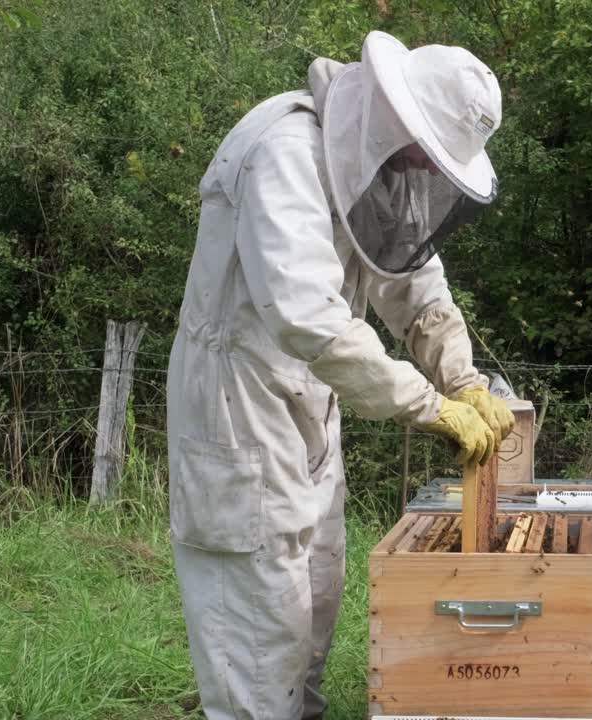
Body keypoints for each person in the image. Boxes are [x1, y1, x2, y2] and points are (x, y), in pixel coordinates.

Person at [165, 30, 514, 719]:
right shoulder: (286, 152)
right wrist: (432, 407)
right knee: (260, 621)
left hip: (307, 400)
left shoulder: (382, 170)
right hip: (239, 404)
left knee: (316, 591)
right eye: (421, 151)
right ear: (392, 116)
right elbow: (309, 318)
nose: (421, 167)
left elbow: (414, 286)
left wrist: (464, 378)